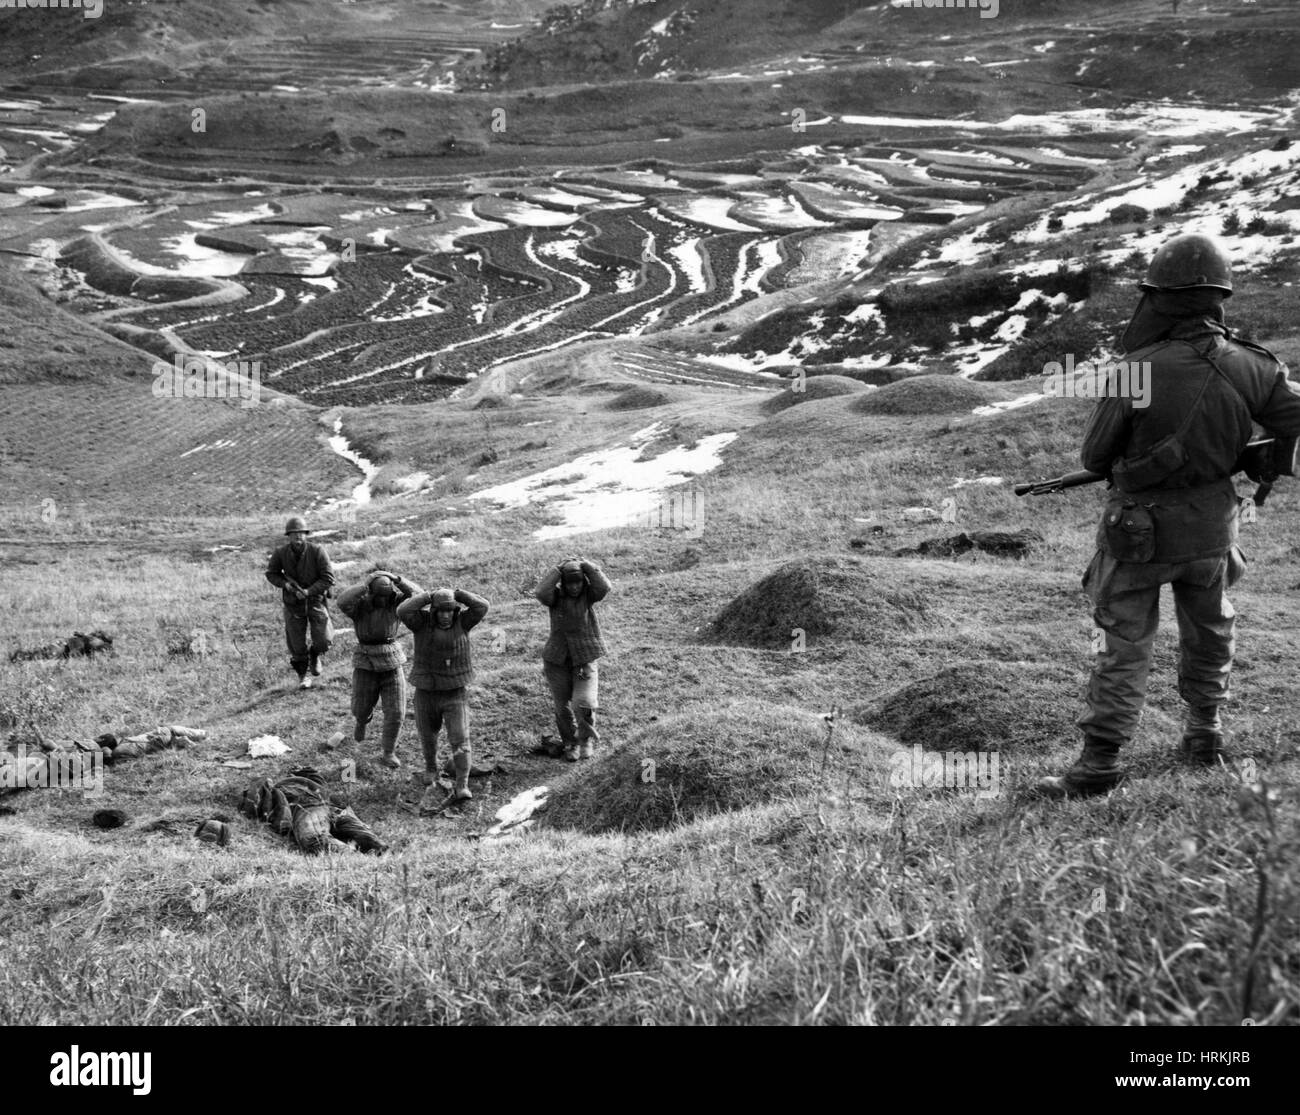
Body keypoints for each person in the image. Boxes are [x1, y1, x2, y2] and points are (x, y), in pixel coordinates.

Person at [1038, 233, 1300, 798]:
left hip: (1137, 535)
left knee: (1123, 646)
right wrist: (1261, 455)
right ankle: (1205, 734)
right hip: (1211, 530)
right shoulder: (1254, 365)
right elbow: (1293, 416)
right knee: (1210, 631)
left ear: (1159, 298)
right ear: (1216, 297)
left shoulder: (1137, 368)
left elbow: (1095, 458)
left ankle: (1099, 764)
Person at [397, 584, 490, 812]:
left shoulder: (464, 622)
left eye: (450, 610)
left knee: (460, 737)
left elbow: (482, 606)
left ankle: (462, 784)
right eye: (441, 611)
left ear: (455, 611)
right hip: (426, 691)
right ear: (434, 611)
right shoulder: (421, 624)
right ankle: (431, 768)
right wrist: (428, 597)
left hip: (455, 693)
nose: (446, 615)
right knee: (427, 734)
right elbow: (402, 611)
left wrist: (459, 594)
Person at [335, 569, 422, 770]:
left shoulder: (397, 605)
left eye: (387, 595)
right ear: (371, 594)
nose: (384, 599)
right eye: (379, 595)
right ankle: (362, 721)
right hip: (365, 661)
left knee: (396, 711)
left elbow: (419, 595)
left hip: (391, 659)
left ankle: (388, 752)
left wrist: (398, 579)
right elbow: (341, 601)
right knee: (361, 707)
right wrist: (365, 584)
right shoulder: (359, 607)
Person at [535, 556, 611, 761]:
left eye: (578, 581)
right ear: (563, 583)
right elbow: (541, 592)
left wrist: (587, 565)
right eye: (570, 582)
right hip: (556, 660)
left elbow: (604, 587)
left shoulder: (588, 596)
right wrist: (558, 569)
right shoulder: (555, 598)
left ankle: (585, 739)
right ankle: (570, 743)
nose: (574, 587)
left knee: (584, 702)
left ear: (583, 581)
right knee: (562, 707)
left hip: (584, 658)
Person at [264, 515, 335, 690]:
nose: (298, 537)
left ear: (306, 534)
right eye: (294, 534)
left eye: (301, 533)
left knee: (324, 640)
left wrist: (309, 591)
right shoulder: (281, 553)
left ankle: (315, 654)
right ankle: (303, 676)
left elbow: (328, 578)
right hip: (292, 604)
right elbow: (271, 573)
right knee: (296, 644)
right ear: (288, 536)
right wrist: (286, 585)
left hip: (316, 601)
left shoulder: (317, 551)